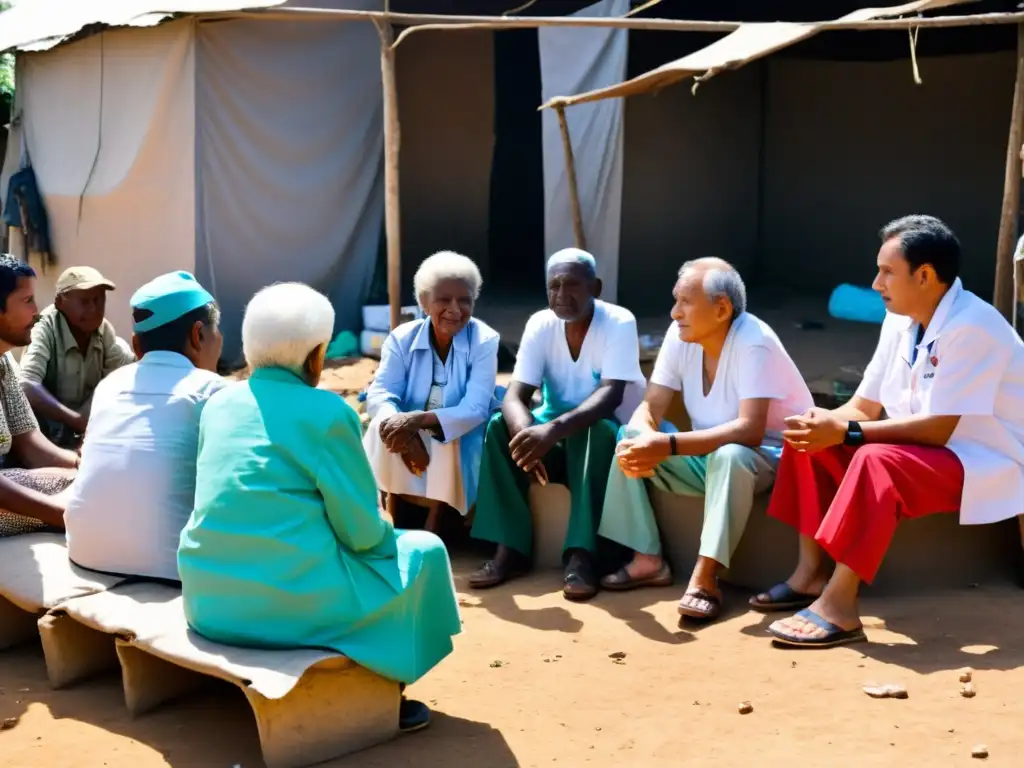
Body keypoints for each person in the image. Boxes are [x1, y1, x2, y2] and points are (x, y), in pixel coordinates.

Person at [178, 282, 461, 734]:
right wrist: (388, 530)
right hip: (286, 608)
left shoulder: (219, 404)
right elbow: (362, 535)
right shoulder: (329, 412)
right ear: (315, 356)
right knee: (423, 551)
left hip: (208, 601)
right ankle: (387, 686)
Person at [755, 215, 1024, 648]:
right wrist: (819, 424)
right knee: (809, 440)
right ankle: (809, 575)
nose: (876, 283)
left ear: (925, 275)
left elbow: (938, 430)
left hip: (987, 459)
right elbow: (862, 406)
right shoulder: (899, 319)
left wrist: (847, 434)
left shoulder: (974, 326)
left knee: (872, 458)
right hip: (930, 450)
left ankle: (839, 606)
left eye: (887, 272)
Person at [597, 258, 813, 620]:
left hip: (768, 459)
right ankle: (647, 558)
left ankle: (705, 577)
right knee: (629, 435)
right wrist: (644, 440)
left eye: (685, 302)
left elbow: (751, 431)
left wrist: (666, 446)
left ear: (722, 309)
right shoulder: (681, 335)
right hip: (705, 458)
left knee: (731, 455)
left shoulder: (753, 341)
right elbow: (650, 409)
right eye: (675, 300)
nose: (673, 313)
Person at [469, 248, 647, 600]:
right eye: (554, 286)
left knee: (595, 431)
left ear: (595, 286)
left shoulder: (619, 321)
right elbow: (514, 396)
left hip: (603, 440)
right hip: (554, 440)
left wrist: (551, 431)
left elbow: (610, 396)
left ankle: (583, 557)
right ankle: (510, 549)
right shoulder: (541, 323)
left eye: (572, 285)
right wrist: (526, 439)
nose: (561, 296)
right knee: (496, 427)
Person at [63, 271, 225, 581]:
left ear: (136, 346)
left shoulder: (110, 385)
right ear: (198, 335)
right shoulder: (212, 390)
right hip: (171, 568)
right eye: (216, 330)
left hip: (85, 554)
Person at [364, 251, 499, 532]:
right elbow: (381, 393)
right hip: (410, 428)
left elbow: (474, 408)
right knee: (380, 425)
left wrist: (418, 421)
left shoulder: (484, 340)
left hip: (461, 430)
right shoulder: (402, 338)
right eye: (443, 300)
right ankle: (382, 512)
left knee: (448, 432)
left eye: (464, 300)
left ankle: (437, 523)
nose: (455, 309)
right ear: (424, 303)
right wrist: (401, 426)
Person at [0, 255, 80, 537]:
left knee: (84, 481)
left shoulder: (4, 362)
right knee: (88, 499)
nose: (37, 311)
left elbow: (28, 442)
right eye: (27, 301)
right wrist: (65, 517)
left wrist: (83, 463)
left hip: (9, 481)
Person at [18, 266, 135, 448]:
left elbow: (120, 381)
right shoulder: (43, 326)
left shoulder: (104, 331)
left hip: (87, 434)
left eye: (99, 299)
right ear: (60, 302)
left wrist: (85, 423)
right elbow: (26, 385)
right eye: (85, 301)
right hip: (45, 436)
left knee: (125, 356)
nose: (94, 309)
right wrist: (76, 420)